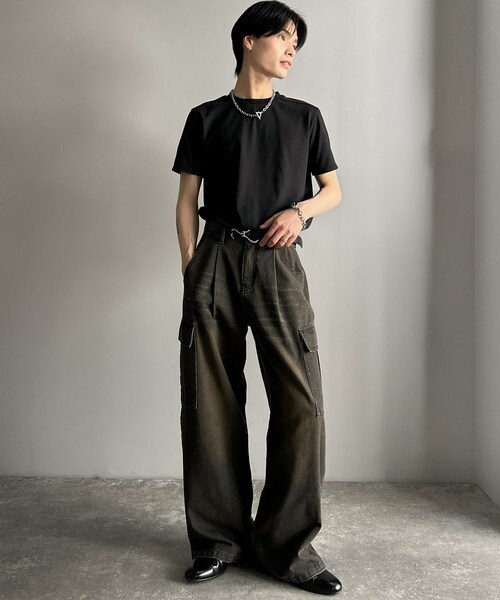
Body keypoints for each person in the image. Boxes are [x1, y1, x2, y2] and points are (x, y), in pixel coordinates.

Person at [172, 1, 343, 595]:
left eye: (297, 41)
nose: (292, 49)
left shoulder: (305, 118)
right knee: (209, 405)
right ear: (249, 40)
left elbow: (333, 189)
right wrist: (192, 272)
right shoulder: (205, 118)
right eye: (284, 36)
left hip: (278, 267)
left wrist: (300, 212)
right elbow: (186, 200)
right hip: (216, 260)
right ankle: (217, 541)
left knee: (301, 402)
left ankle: (288, 548)